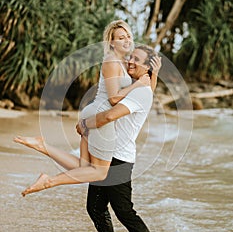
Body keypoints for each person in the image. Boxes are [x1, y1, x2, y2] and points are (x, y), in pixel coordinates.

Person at [14, 44, 162, 232]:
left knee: (124, 210)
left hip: (120, 158)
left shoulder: (141, 91)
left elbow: (110, 115)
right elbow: (140, 88)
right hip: (107, 151)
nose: (131, 61)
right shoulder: (138, 86)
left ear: (147, 68)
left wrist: (86, 124)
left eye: (138, 60)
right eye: (131, 57)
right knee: (95, 207)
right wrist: (153, 74)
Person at [17, 20, 152, 196]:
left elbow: (146, 85)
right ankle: (48, 181)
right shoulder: (111, 62)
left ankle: (43, 146)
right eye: (120, 37)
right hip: (100, 116)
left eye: (128, 36)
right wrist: (137, 85)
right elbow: (113, 99)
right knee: (99, 172)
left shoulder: (121, 62)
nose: (126, 40)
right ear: (111, 42)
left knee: (84, 167)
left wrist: (150, 75)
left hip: (94, 111)